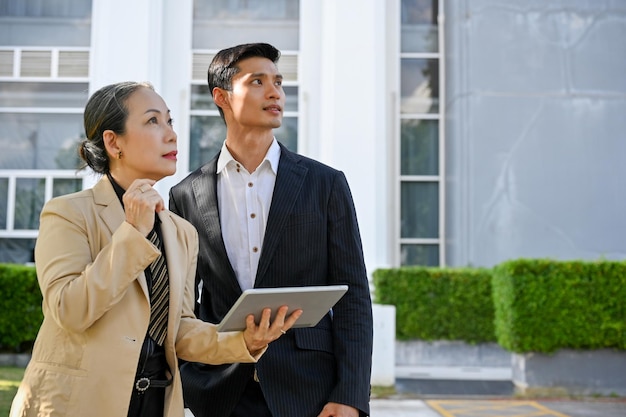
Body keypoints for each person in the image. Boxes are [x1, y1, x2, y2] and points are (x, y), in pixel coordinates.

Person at [10, 81, 301, 417]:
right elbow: (70, 310)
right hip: (76, 404)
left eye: (170, 121)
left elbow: (177, 329)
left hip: (154, 403)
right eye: (152, 121)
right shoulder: (68, 213)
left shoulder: (180, 232)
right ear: (113, 141)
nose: (171, 135)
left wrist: (244, 342)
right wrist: (133, 233)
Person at [169, 43, 373, 417]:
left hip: (310, 390)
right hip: (221, 392)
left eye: (278, 82)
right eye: (258, 81)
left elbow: (353, 295)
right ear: (222, 97)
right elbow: (185, 302)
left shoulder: (325, 184)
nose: (275, 91)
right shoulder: (186, 194)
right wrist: (188, 379)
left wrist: (351, 394)